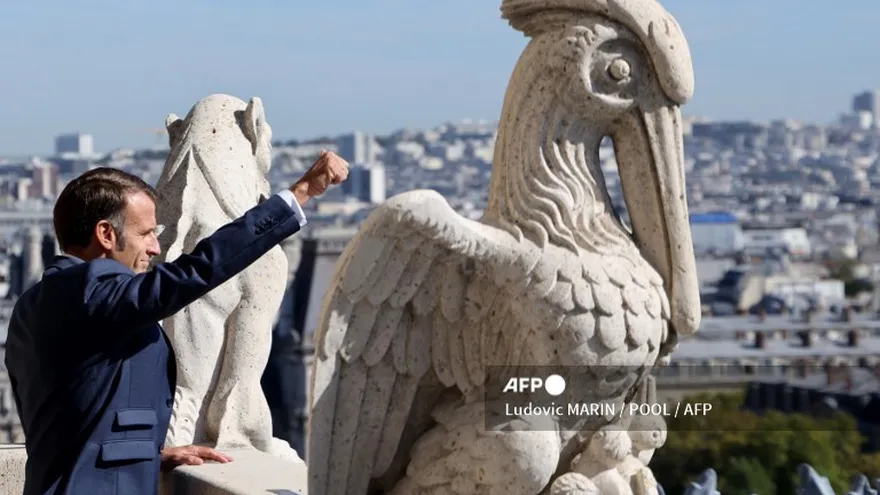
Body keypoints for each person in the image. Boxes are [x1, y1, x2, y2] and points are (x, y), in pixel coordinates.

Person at [5, 150, 349, 495]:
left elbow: (72, 417)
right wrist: (299, 194)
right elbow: (197, 271)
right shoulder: (93, 287)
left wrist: (144, 457)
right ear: (106, 234)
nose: (155, 247)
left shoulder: (31, 305)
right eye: (146, 233)